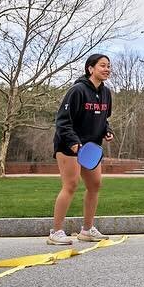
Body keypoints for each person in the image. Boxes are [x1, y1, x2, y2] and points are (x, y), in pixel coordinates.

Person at [48, 53, 115, 246]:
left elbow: (103, 119)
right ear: (90, 68)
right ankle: (56, 232)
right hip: (68, 146)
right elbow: (62, 122)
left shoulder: (106, 93)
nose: (107, 69)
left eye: (108, 66)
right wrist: (75, 144)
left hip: (91, 148)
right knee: (71, 185)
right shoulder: (77, 91)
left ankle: (87, 230)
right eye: (102, 65)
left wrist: (107, 131)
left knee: (95, 185)